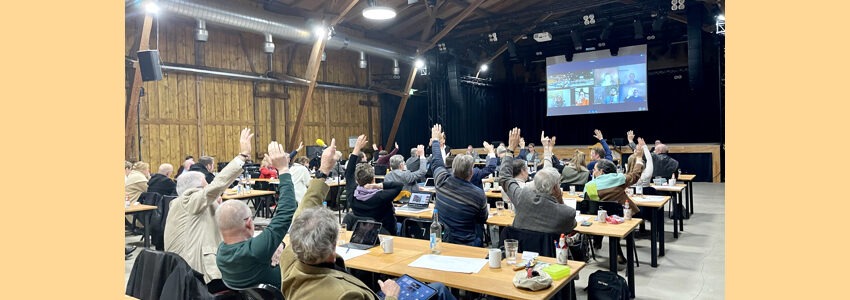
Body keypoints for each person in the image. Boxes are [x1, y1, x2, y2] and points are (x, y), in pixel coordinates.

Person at [278, 142, 456, 299]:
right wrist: (391, 296)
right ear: (333, 247)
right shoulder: (346, 295)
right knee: (438, 288)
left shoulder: (289, 262)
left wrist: (322, 170)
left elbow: (303, 211)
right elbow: (397, 186)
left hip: (368, 240)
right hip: (383, 251)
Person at [165, 128, 255, 293]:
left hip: (179, 275)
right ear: (198, 188)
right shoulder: (189, 200)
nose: (209, 185)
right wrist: (242, 156)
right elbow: (217, 185)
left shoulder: (179, 205)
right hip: (199, 276)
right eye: (206, 183)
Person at [216, 140, 296, 289]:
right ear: (248, 223)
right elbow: (286, 212)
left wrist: (275, 245)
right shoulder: (256, 250)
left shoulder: (221, 253)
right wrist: (284, 169)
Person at [499, 130, 577, 234]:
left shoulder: (522, 197)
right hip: (547, 250)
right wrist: (560, 199)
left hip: (521, 248)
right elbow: (572, 226)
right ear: (555, 188)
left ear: (535, 183)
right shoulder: (566, 213)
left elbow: (504, 178)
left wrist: (510, 149)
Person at [429, 124, 488, 247]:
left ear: (452, 169)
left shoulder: (441, 180)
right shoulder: (478, 194)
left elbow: (437, 161)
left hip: (442, 241)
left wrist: (435, 140)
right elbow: (482, 219)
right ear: (471, 173)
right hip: (467, 244)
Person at [346, 135, 404, 236]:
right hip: (384, 235)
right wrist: (377, 186)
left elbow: (348, 173)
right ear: (373, 178)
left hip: (361, 234)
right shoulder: (380, 196)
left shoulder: (353, 195)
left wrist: (356, 149)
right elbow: (399, 185)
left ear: (357, 180)